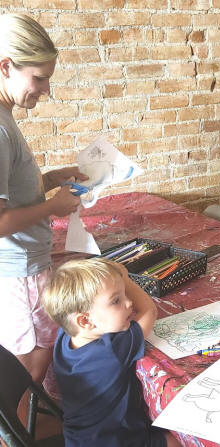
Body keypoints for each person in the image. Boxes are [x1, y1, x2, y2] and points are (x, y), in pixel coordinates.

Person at [0, 12, 87, 414]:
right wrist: (53, 206)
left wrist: (49, 179)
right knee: (28, 371)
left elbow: (11, 193)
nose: (46, 90)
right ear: (6, 66)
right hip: (21, 272)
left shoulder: (5, 116)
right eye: (39, 78)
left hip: (19, 268)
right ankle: (17, 437)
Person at [42, 258, 181, 447]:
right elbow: (149, 311)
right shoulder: (111, 350)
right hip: (119, 441)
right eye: (116, 300)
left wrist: (116, 288)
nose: (129, 302)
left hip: (81, 439)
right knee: (178, 440)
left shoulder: (65, 336)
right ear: (85, 321)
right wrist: (125, 278)